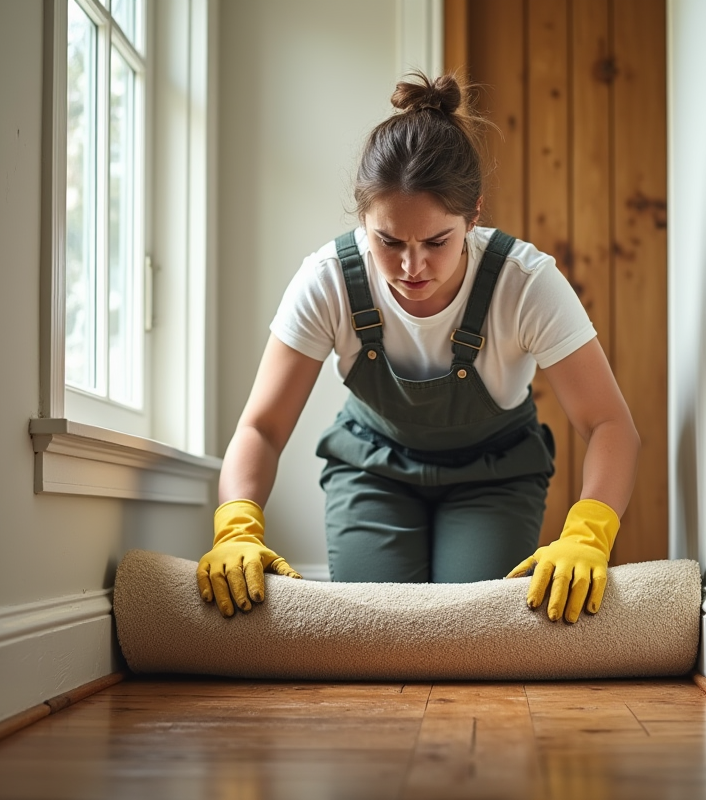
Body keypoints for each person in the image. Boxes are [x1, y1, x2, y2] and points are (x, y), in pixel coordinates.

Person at [196, 71, 639, 624]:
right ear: (364, 219)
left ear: (473, 215)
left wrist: (588, 535)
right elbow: (260, 427)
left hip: (494, 474)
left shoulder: (526, 283)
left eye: (436, 242)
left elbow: (610, 425)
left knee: (470, 626)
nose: (411, 268)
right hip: (373, 469)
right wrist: (236, 526)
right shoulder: (328, 279)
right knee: (378, 627)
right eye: (388, 241)